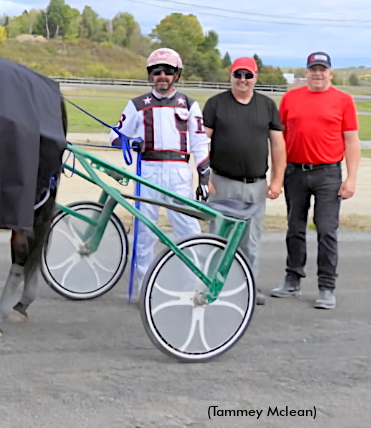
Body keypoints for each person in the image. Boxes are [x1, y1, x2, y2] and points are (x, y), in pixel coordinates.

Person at [110, 47, 211, 297]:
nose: (162, 76)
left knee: (189, 231)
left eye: (168, 71)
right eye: (156, 71)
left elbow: (200, 143)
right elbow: (115, 135)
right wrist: (132, 142)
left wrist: (204, 176)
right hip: (148, 173)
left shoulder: (189, 104)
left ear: (177, 74)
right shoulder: (137, 105)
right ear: (150, 75)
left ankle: (195, 288)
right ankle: (144, 291)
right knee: (143, 234)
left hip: (179, 174)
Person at [270, 52, 359, 310]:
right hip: (295, 172)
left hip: (328, 174)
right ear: (306, 72)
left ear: (330, 72)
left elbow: (352, 141)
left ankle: (327, 286)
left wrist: (351, 178)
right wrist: (277, 173)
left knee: (326, 230)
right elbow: (278, 140)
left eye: (322, 69)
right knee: (294, 227)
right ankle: (292, 278)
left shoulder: (343, 101)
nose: (317, 73)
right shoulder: (290, 99)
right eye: (313, 69)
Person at [202, 57, 285, 305]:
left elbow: (278, 143)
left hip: (256, 185)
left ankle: (248, 286)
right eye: (238, 74)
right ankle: (214, 285)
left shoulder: (267, 105)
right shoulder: (216, 105)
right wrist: (204, 177)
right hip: (222, 182)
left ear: (255, 78)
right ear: (231, 75)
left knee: (251, 239)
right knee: (219, 237)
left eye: (248, 75)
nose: (243, 80)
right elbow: (202, 142)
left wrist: (277, 180)